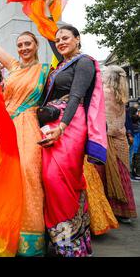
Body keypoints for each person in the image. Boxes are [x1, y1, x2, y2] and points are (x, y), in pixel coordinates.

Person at [0, 6, 50, 256]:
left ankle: (30, 239)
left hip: (29, 127)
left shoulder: (46, 70)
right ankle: (4, 231)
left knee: (28, 174)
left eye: (28, 44)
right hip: (7, 128)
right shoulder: (13, 67)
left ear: (36, 45)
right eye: (20, 44)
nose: (24, 48)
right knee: (4, 175)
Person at [38, 25, 107, 257]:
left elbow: (76, 96)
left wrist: (62, 127)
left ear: (77, 39)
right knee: (48, 180)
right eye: (57, 40)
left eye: (65, 38)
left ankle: (72, 244)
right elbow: (49, 36)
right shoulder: (58, 67)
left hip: (72, 124)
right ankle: (61, 240)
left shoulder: (84, 62)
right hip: (52, 125)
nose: (60, 42)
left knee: (60, 179)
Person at [97, 65, 137, 224]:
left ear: (109, 78)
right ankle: (125, 211)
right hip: (121, 140)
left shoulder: (105, 93)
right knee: (122, 175)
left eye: (104, 74)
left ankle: (112, 210)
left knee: (108, 175)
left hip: (108, 138)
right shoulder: (121, 94)